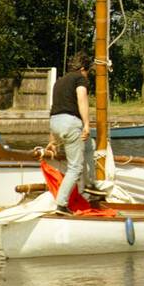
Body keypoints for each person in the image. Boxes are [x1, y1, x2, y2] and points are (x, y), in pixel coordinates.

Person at [47, 52, 98, 215]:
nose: (87, 75)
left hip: (55, 123)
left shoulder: (59, 82)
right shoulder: (79, 78)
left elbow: (55, 108)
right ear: (83, 69)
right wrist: (87, 124)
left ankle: (90, 183)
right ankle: (61, 204)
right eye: (87, 72)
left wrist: (52, 140)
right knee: (75, 167)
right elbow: (82, 99)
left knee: (91, 145)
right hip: (71, 123)